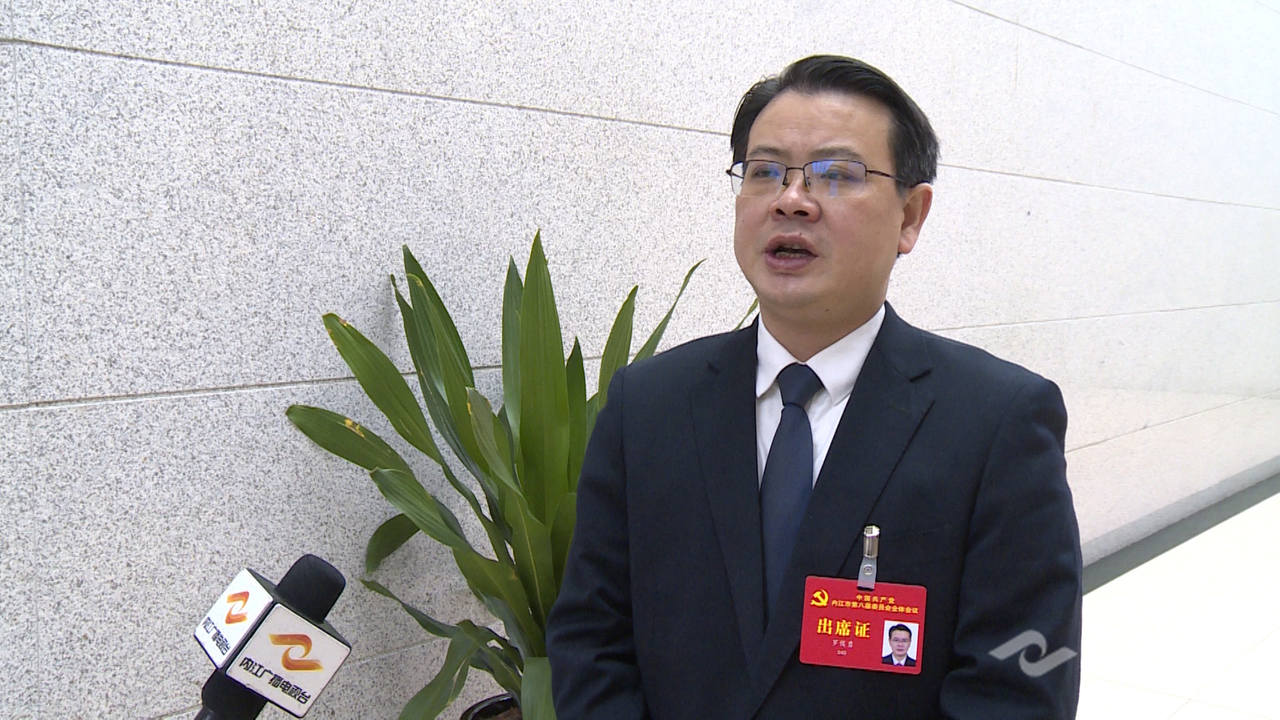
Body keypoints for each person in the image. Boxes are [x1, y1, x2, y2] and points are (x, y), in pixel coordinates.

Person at [547, 54, 1082, 719]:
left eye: (837, 174)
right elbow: (591, 639)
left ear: (911, 216)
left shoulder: (998, 421)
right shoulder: (647, 406)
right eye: (764, 171)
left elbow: (1019, 687)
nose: (791, 199)